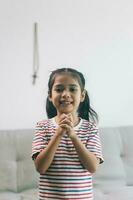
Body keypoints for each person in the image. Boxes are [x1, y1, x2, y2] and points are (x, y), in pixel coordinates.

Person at [32, 68, 104, 200]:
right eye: (59, 89)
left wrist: (73, 136)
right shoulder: (42, 127)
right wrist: (58, 134)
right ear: (50, 95)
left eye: (72, 89)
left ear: (82, 95)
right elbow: (41, 167)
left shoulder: (90, 128)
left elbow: (93, 167)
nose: (65, 94)